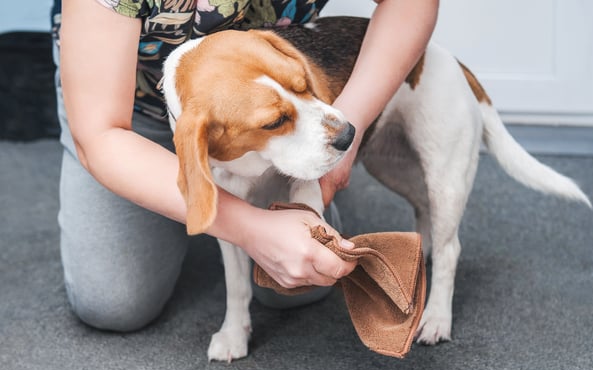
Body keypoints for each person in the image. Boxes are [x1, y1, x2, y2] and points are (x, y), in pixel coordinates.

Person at [53, 0, 439, 332]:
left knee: (296, 288)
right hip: (128, 108)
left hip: (277, 102)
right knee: (115, 303)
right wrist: (251, 229)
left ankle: (289, 156)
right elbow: (101, 135)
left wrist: (349, 122)